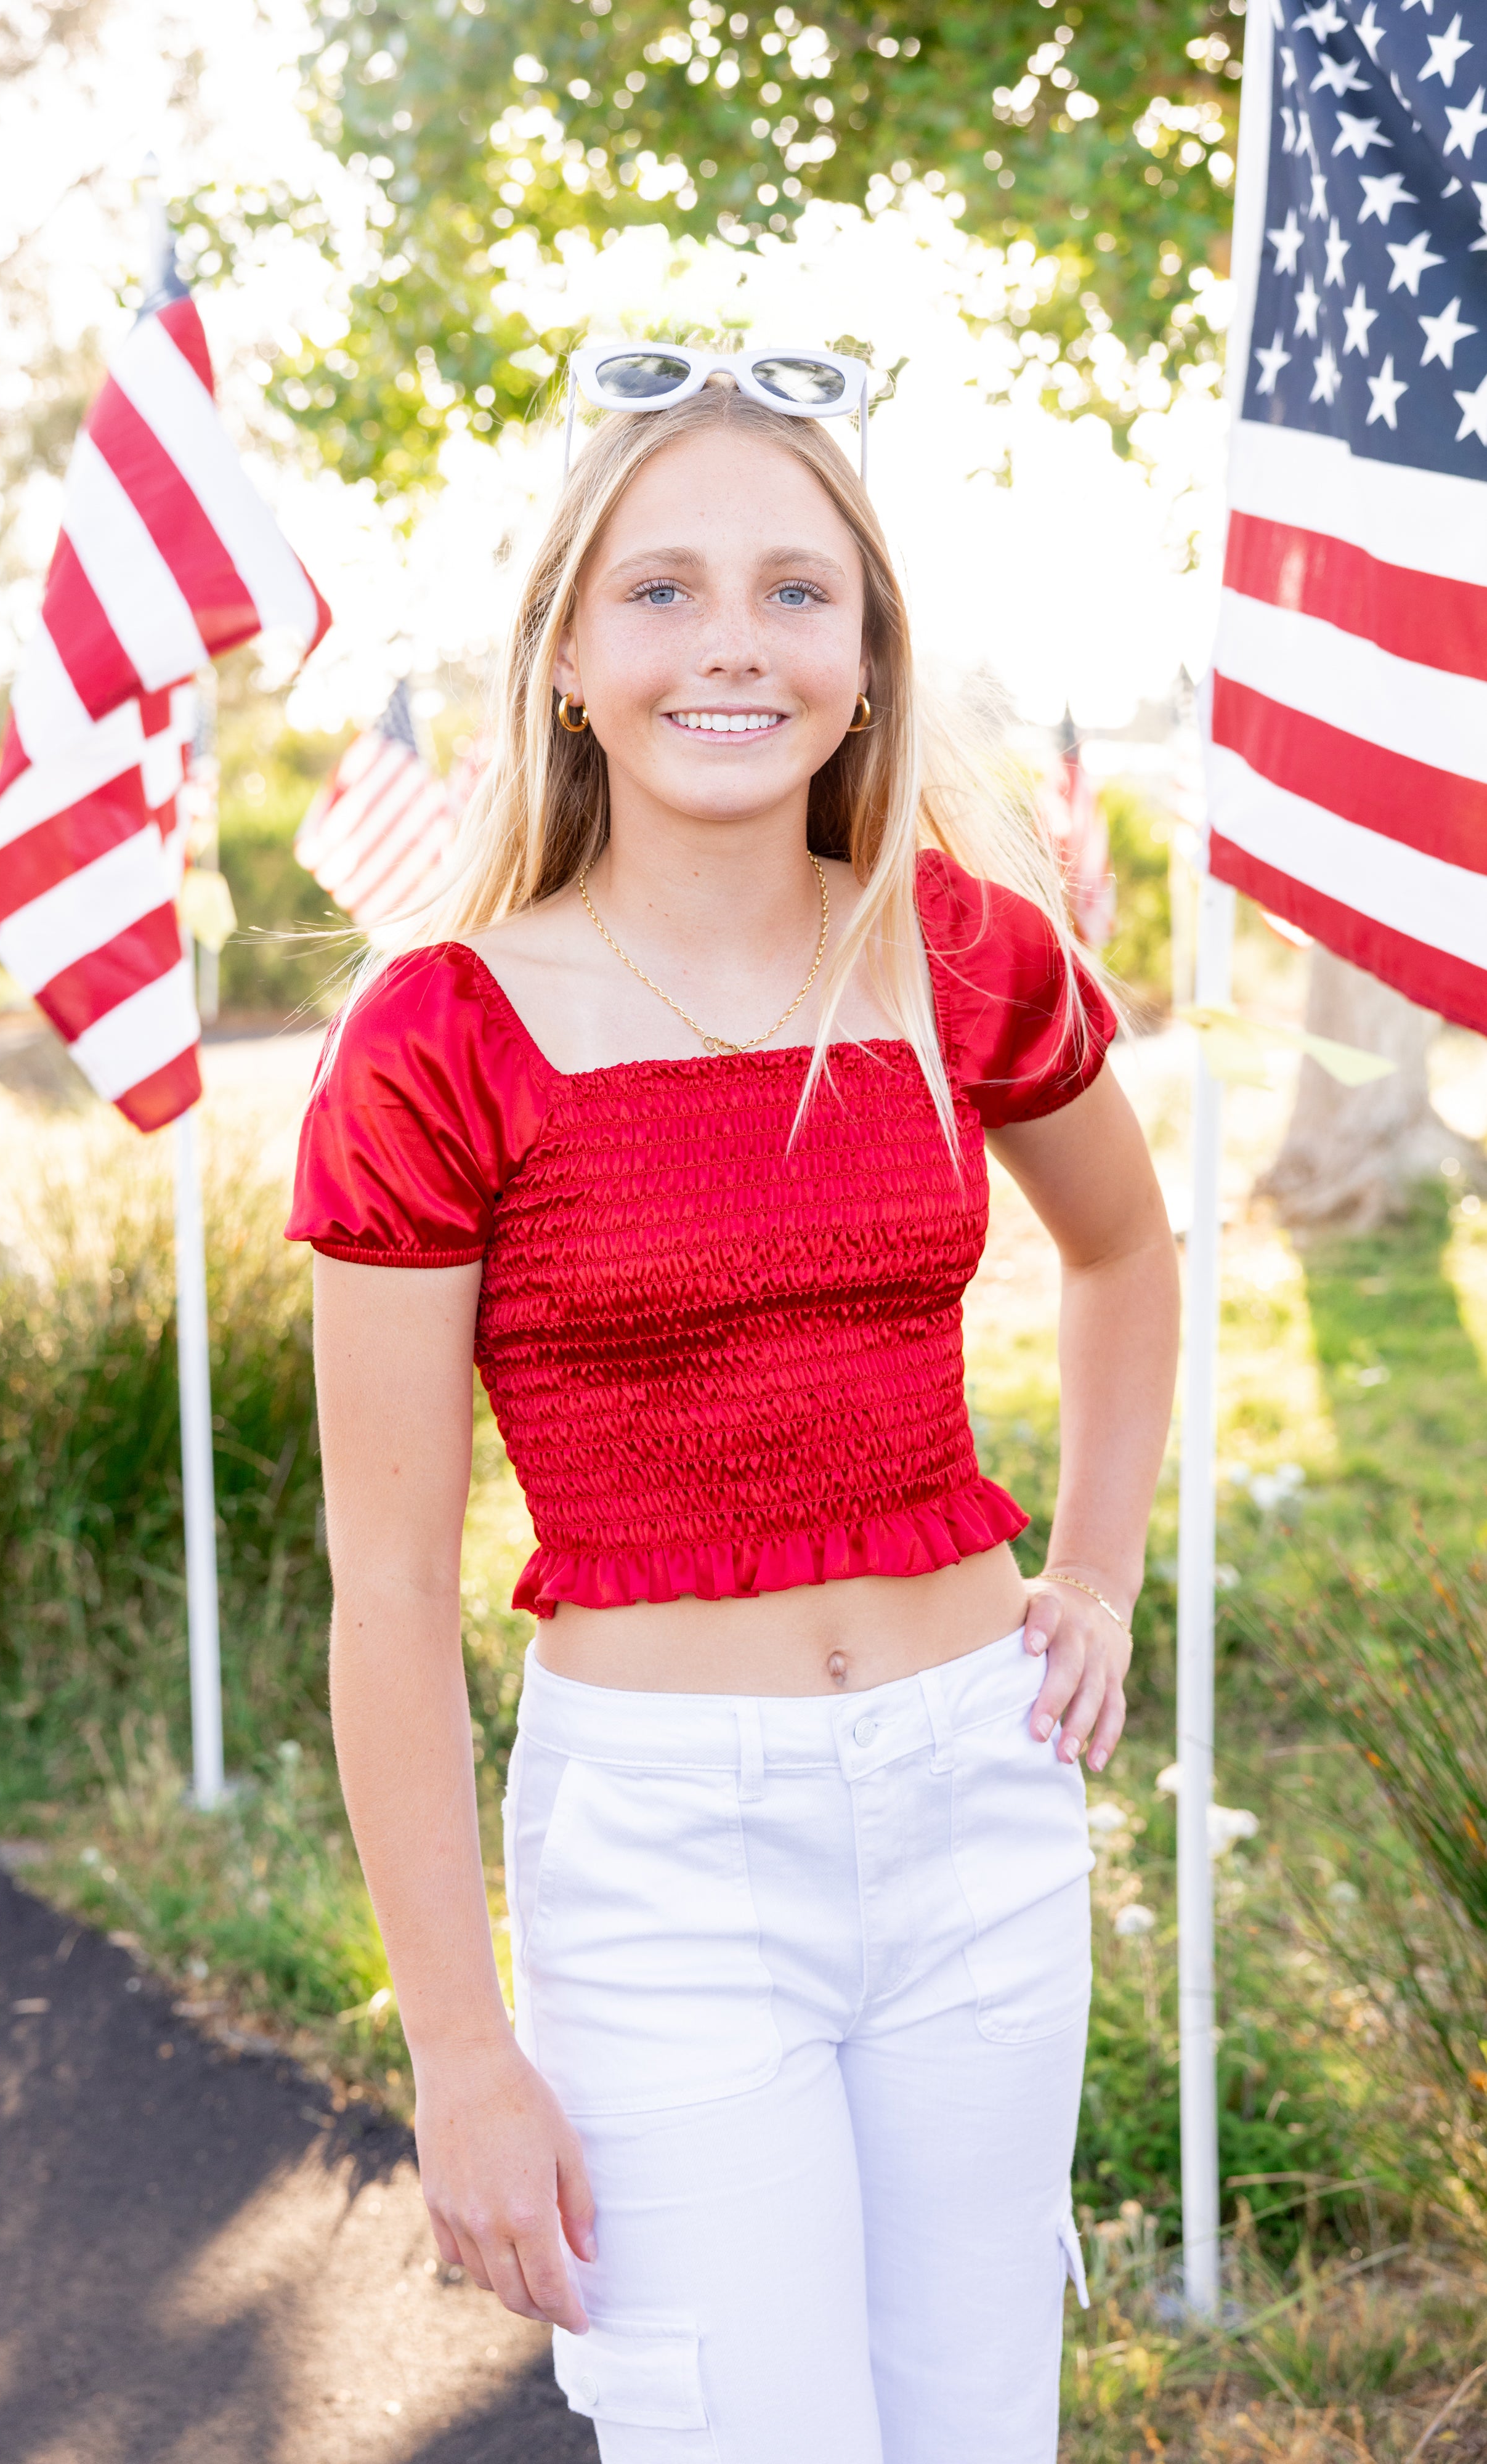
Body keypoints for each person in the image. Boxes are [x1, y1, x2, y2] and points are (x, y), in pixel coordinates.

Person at [287, 354, 1180, 2464]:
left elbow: (1128, 1256)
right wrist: (460, 2049)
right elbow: (390, 1588)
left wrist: (1099, 1569)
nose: (733, 646)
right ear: (570, 657)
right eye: (663, 591)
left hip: (980, 1806)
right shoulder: (441, 1041)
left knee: (977, 2431)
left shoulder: (963, 956)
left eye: (797, 593)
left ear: (866, 664)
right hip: (665, 1859)